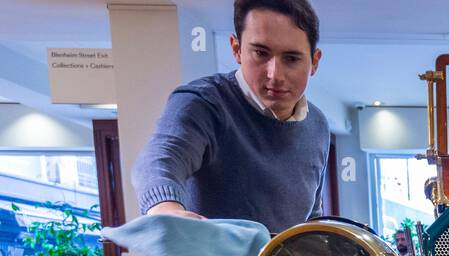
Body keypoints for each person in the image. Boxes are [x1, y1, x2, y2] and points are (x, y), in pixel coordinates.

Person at [132, 0, 330, 234]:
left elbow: (311, 216)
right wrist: (165, 208)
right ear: (236, 49)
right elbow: (160, 160)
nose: (275, 74)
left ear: (314, 62)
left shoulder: (317, 125)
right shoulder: (201, 104)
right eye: (260, 53)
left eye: (291, 58)